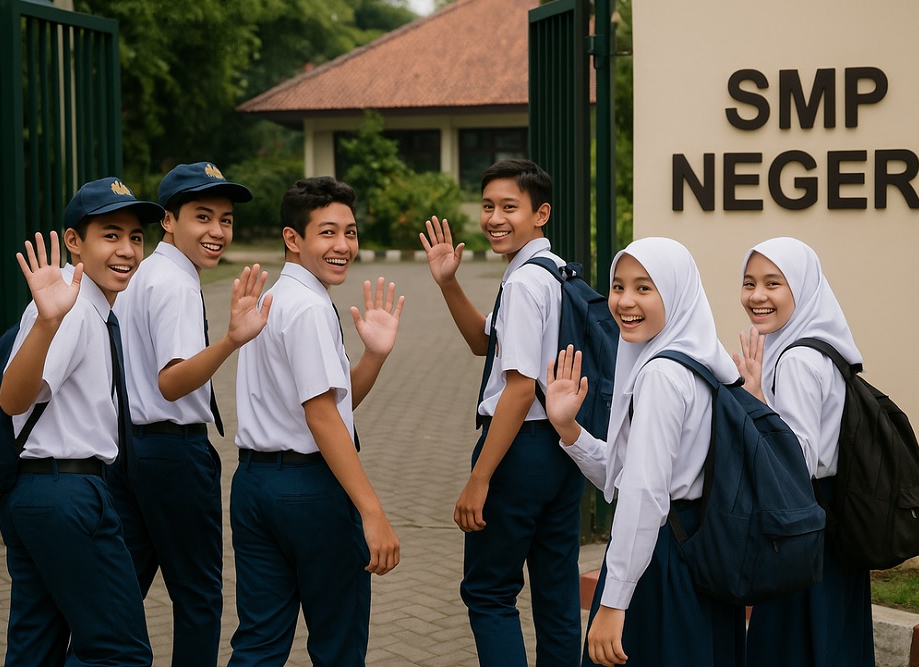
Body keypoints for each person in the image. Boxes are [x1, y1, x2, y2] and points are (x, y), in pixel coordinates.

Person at [545, 237, 747, 667]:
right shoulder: (697, 359)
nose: (624, 301)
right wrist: (568, 428)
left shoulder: (661, 375)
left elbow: (644, 494)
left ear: (674, 292)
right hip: (697, 552)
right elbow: (628, 475)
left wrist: (615, 601)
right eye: (618, 286)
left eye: (644, 288)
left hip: (661, 562)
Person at [229, 176, 403, 666]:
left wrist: (373, 356)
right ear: (293, 238)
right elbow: (322, 416)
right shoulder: (307, 307)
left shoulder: (274, 300)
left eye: (350, 232)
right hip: (310, 492)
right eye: (327, 233)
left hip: (255, 485)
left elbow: (330, 403)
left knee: (259, 642)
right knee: (338, 644)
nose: (343, 245)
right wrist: (372, 511)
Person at [420, 159, 585, 666]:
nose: (494, 217)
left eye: (509, 207)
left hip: (518, 451)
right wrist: (449, 283)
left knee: (490, 594)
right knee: (557, 596)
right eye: (488, 205)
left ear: (541, 213)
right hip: (563, 450)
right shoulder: (555, 271)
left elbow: (516, 389)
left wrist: (479, 477)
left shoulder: (522, 284)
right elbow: (483, 344)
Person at [108, 161, 272, 666]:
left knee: (120, 595)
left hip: (129, 451)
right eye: (203, 217)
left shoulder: (144, 273)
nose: (217, 231)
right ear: (168, 221)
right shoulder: (175, 284)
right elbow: (173, 381)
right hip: (172, 455)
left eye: (225, 220)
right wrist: (230, 340)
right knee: (199, 597)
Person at [0, 178, 164, 666]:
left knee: (37, 646)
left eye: (136, 237)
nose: (128, 250)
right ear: (74, 242)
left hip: (42, 494)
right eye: (111, 235)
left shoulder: (92, 309)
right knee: (118, 650)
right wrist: (48, 322)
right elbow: (12, 398)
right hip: (67, 495)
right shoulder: (69, 311)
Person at [734, 237, 874, 667]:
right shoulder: (822, 345)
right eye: (749, 282)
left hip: (801, 525)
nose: (757, 296)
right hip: (832, 520)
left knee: (791, 645)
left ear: (802, 287)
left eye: (773, 283)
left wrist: (755, 401)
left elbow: (798, 458)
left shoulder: (796, 359)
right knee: (834, 639)